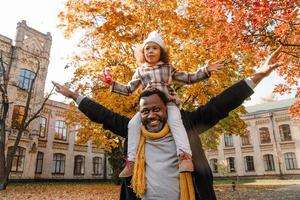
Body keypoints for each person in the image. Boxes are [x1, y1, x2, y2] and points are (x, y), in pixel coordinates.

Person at [52, 46, 282, 200]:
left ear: (166, 108)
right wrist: (74, 95)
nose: (151, 115)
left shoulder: (185, 124)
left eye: (156, 109)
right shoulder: (135, 130)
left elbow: (220, 105)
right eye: (145, 111)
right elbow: (103, 115)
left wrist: (258, 75)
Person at [98, 31, 223, 177]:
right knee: (132, 125)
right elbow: (128, 89)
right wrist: (111, 83)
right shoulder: (140, 71)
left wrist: (205, 70)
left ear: (161, 52)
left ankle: (185, 157)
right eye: (147, 48)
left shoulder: (167, 68)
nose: (150, 51)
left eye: (154, 48)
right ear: (143, 53)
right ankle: (131, 162)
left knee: (176, 121)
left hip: (168, 104)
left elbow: (188, 78)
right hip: (148, 107)